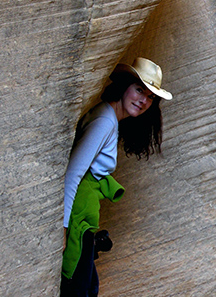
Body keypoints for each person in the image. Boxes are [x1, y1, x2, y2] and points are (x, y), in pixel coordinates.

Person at [61, 58, 172, 296]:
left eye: (151, 96)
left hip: (84, 219)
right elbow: (74, 173)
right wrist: (63, 228)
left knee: (90, 287)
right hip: (77, 220)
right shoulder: (104, 120)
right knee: (79, 290)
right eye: (139, 90)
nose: (143, 100)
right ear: (124, 86)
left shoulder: (110, 118)